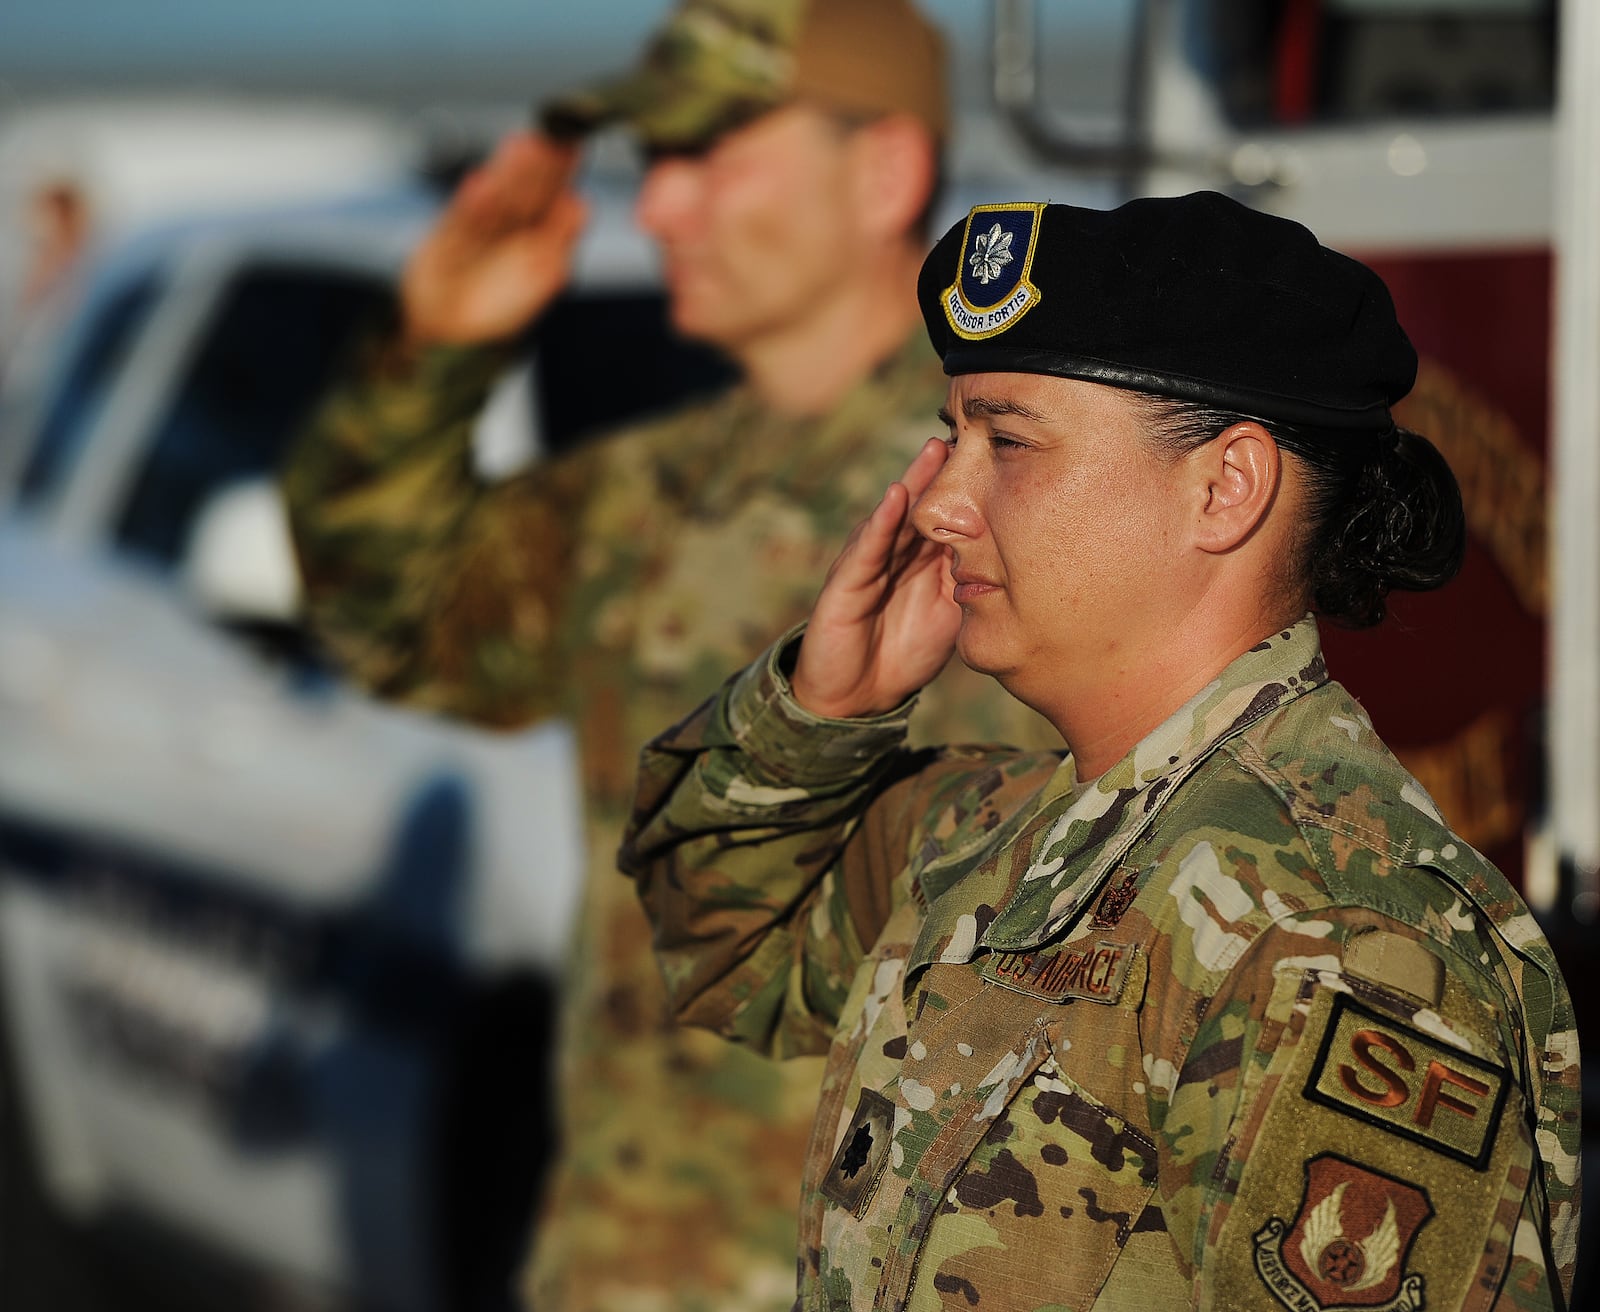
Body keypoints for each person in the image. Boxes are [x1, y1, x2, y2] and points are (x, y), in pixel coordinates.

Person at [620, 192, 1582, 1309]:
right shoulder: (992, 831)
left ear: (1224, 488)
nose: (940, 503)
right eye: (950, 439)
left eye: (1007, 441)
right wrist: (817, 716)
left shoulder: (1338, 933)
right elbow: (720, 936)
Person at [282, 2, 1061, 1309]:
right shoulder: (649, 493)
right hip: (628, 1264)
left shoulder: (1030, 494)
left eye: (712, 156)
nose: (658, 210)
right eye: (654, 165)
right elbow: (394, 623)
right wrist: (436, 356)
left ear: (885, 174)